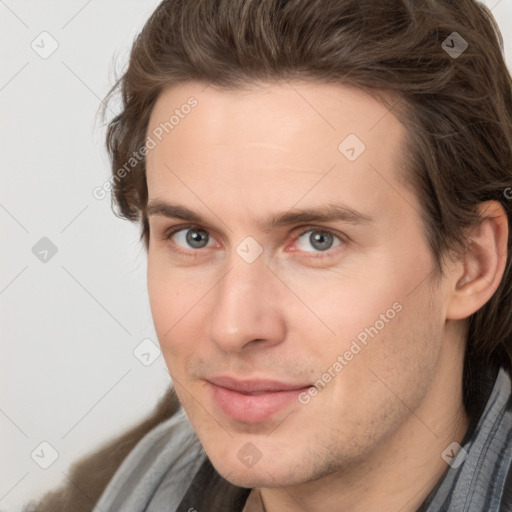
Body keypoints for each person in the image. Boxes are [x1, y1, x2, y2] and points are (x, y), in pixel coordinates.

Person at [23, 0, 512, 511]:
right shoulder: (100, 495)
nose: (233, 327)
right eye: (194, 236)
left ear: (472, 263)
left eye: (317, 240)